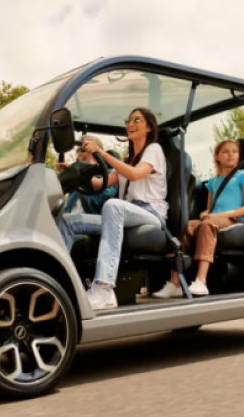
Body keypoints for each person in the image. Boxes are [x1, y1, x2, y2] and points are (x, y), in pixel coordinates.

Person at [58, 108, 167, 310]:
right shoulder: (129, 158)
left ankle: (104, 288)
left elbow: (135, 174)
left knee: (113, 205)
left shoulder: (154, 150)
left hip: (151, 214)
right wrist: (75, 173)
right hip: (126, 214)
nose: (130, 124)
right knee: (69, 221)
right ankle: (57, 284)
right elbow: (102, 183)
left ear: (149, 127)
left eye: (137, 120)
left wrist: (100, 153)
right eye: (128, 120)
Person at [153, 139, 244, 298]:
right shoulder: (213, 182)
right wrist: (204, 213)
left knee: (207, 225)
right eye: (226, 152)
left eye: (234, 152)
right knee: (182, 226)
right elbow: (210, 208)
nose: (231, 155)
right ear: (217, 156)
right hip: (214, 218)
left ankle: (201, 280)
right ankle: (175, 283)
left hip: (235, 220)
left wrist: (216, 216)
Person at [56, 136, 118, 215]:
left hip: (95, 217)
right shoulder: (77, 175)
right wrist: (66, 174)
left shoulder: (109, 174)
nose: (80, 161)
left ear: (98, 155)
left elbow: (101, 198)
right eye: (79, 158)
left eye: (84, 158)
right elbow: (60, 192)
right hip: (71, 215)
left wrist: (86, 174)